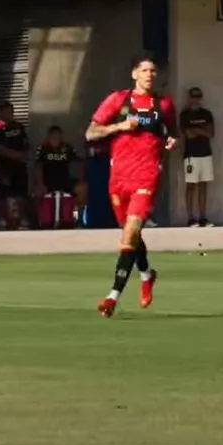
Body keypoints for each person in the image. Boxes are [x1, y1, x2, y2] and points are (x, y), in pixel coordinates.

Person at [86, 54, 177, 317]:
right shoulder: (118, 100)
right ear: (134, 74)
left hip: (146, 176)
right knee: (131, 235)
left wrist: (172, 141)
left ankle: (112, 297)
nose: (150, 74)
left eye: (153, 70)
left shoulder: (164, 105)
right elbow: (91, 132)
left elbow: (173, 132)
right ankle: (147, 274)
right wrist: (120, 126)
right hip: (119, 178)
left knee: (129, 234)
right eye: (145, 70)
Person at [34, 126, 83, 228]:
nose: (55, 139)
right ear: (48, 137)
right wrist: (40, 183)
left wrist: (80, 179)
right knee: (36, 194)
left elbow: (79, 162)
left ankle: (75, 217)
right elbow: (38, 166)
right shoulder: (43, 149)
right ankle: (39, 220)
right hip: (48, 182)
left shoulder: (67, 148)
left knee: (82, 189)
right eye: (53, 136)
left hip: (65, 181)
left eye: (57, 136)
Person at [179, 86, 215, 227]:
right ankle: (190, 217)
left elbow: (211, 134)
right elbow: (187, 133)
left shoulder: (207, 114)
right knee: (191, 185)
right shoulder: (185, 115)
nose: (196, 99)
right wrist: (202, 131)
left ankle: (203, 217)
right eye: (193, 96)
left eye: (198, 96)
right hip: (191, 155)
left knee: (203, 185)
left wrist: (197, 131)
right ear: (189, 98)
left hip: (206, 153)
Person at [0, 102, 30, 230]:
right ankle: (3, 219)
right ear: (1, 113)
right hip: (4, 168)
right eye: (6, 112)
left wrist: (21, 156)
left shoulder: (19, 127)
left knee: (21, 194)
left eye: (11, 113)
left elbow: (26, 145)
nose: (9, 115)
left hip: (19, 167)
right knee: (3, 195)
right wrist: (15, 155)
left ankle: (21, 219)